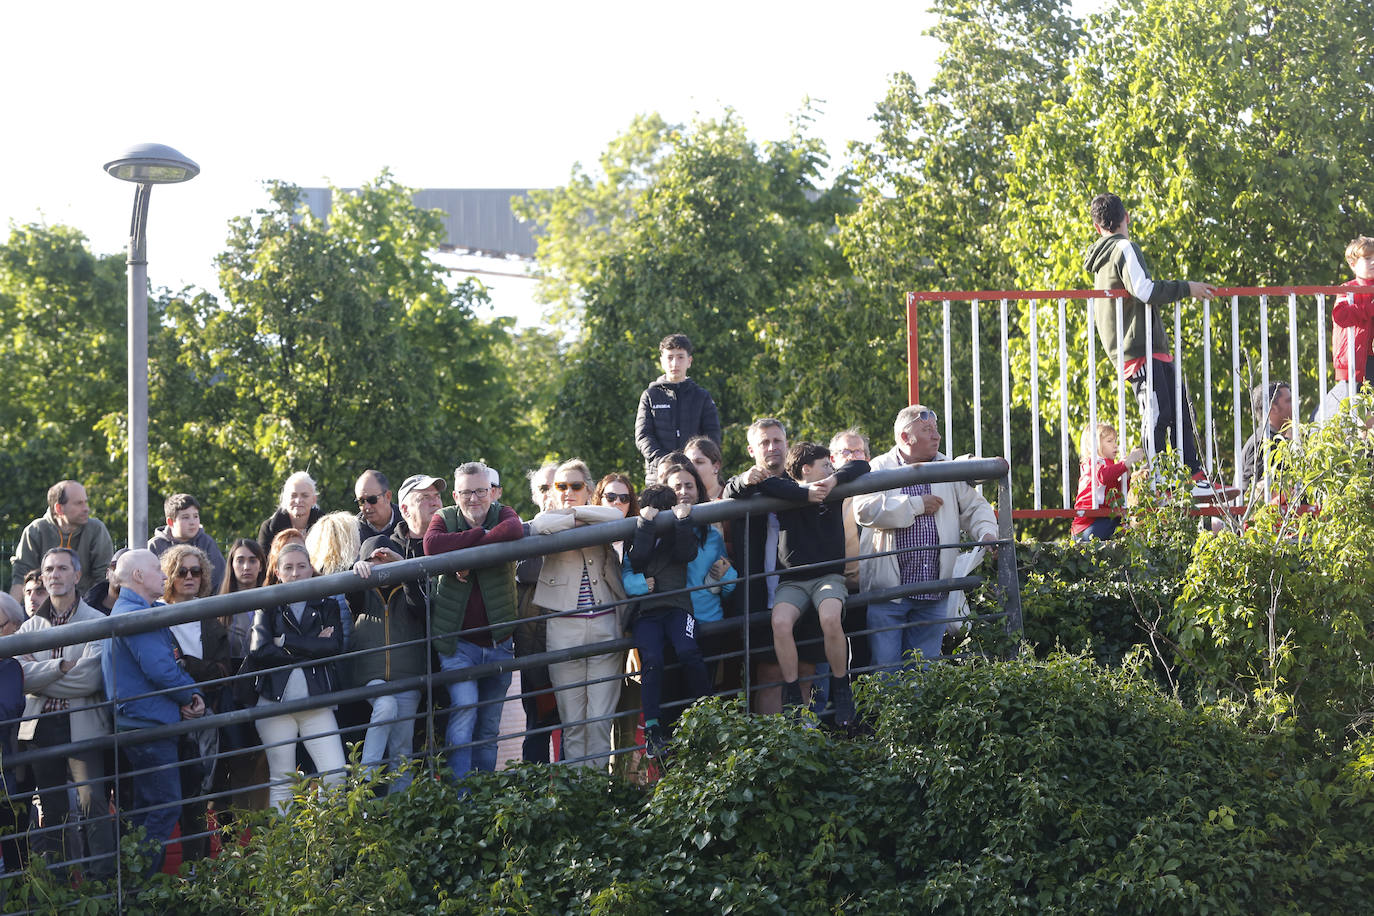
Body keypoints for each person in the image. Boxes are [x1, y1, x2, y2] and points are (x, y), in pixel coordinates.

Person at [1084, 193, 1228, 499]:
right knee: (1159, 414)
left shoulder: (1103, 260)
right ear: (1127, 218)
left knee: (1179, 411)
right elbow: (1145, 290)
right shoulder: (1123, 247)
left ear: (1098, 227)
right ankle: (1160, 478)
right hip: (1139, 348)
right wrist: (1187, 288)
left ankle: (1193, 475)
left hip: (1146, 347)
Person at [724, 443, 869, 725]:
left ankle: (841, 687)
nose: (831, 467)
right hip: (792, 581)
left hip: (828, 578)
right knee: (780, 622)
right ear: (806, 469)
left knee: (830, 616)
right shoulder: (784, 492)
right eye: (825, 465)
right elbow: (761, 486)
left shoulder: (834, 489)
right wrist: (805, 493)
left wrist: (832, 480)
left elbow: (862, 466)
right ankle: (791, 689)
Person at [854, 406, 999, 672]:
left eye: (936, 429)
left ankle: (914, 716)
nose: (937, 436)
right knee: (886, 672)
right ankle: (888, 716)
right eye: (927, 430)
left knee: (923, 674)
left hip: (934, 592)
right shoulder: (878, 468)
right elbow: (864, 510)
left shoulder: (947, 467)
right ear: (904, 437)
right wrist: (916, 505)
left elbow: (975, 507)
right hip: (888, 594)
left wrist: (987, 532)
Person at [15, 547, 116, 875]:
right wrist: (61, 666)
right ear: (42, 577)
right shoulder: (29, 628)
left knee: (93, 803)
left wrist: (39, 674)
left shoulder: (97, 621)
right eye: (49, 569)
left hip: (83, 725)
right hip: (40, 728)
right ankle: (57, 891)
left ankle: (101, 886)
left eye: (62, 569)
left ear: (77, 575)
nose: (55, 575)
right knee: (53, 809)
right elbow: (18, 675)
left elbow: (89, 678)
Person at [106, 549, 205, 875]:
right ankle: (141, 884)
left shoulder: (133, 611)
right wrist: (190, 695)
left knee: (147, 807)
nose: (165, 576)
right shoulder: (138, 616)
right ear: (137, 576)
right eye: (156, 570)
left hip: (140, 721)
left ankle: (133, 885)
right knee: (164, 806)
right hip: (148, 724)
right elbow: (161, 668)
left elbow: (161, 667)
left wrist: (183, 698)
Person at [424, 461, 523, 779]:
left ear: (492, 492)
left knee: (489, 726)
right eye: (466, 492)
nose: (474, 498)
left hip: (499, 641)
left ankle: (484, 798)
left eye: (481, 491)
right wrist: (479, 539)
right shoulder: (443, 517)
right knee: (464, 714)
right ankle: (460, 800)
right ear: (455, 494)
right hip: (457, 644)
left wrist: (466, 552)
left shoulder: (504, 513)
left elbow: (514, 530)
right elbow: (431, 545)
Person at [529, 459, 628, 770]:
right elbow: (540, 526)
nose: (568, 492)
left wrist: (574, 515)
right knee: (573, 724)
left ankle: (599, 797)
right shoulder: (547, 517)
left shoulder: (600, 515)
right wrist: (572, 517)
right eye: (561, 487)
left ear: (588, 489)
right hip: (563, 629)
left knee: (600, 720)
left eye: (575, 486)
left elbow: (615, 514)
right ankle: (578, 801)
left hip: (606, 624)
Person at [725, 418, 823, 713]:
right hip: (761, 596)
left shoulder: (802, 483)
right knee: (768, 674)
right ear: (751, 449)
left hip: (805, 588)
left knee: (806, 669)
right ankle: (770, 748)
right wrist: (745, 479)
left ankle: (805, 743)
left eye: (777, 441)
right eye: (764, 442)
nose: (772, 447)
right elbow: (729, 491)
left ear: (787, 444)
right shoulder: (745, 487)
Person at [247, 542, 345, 813]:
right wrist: (310, 645)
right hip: (274, 703)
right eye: (288, 567)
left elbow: (334, 646)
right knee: (282, 779)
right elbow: (259, 650)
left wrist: (285, 641)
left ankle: (324, 838)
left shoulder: (327, 604)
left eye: (301, 566)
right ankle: (286, 850)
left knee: (335, 774)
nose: (295, 573)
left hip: (317, 702)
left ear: (310, 569)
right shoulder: (266, 603)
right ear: (277, 572)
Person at [621, 484, 708, 757]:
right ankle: (653, 728)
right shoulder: (637, 532)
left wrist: (681, 520)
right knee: (653, 660)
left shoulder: (678, 534)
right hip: (647, 613)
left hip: (678, 607)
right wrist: (645, 524)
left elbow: (687, 553)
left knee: (688, 649)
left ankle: (708, 709)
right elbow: (637, 559)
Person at [158, 545, 229, 863]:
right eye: (182, 571)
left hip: (203, 719)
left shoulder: (211, 617)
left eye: (195, 571)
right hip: (164, 718)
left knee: (197, 802)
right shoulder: (154, 612)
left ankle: (195, 877)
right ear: (169, 575)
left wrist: (186, 665)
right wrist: (189, 676)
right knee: (160, 802)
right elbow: (156, 669)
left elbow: (223, 671)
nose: (189, 577)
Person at [347, 535, 424, 791]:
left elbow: (421, 608)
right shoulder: (361, 593)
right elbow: (351, 599)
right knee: (386, 705)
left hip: (408, 678)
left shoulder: (409, 588)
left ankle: (398, 814)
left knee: (402, 748)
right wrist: (355, 571)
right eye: (373, 560)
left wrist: (403, 569)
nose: (380, 565)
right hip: (371, 676)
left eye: (385, 558)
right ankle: (366, 776)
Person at [661, 462, 735, 680]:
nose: (683, 492)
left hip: (708, 623)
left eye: (689, 486)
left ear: (698, 490)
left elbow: (727, 587)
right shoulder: (658, 533)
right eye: (677, 487)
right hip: (670, 626)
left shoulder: (712, 535)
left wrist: (724, 577)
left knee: (704, 694)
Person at [215, 538, 269, 813]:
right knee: (236, 761)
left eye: (252, 560)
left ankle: (263, 832)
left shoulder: (273, 599)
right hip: (231, 691)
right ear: (231, 565)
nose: (246, 567)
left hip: (264, 686)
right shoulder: (219, 606)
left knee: (264, 761)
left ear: (261, 564)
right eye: (240, 560)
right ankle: (237, 837)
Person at [634, 334, 723, 485]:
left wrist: (694, 463)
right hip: (659, 477)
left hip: (696, 478)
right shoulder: (650, 395)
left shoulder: (702, 396)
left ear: (689, 361)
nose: (674, 363)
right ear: (661, 361)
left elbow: (712, 438)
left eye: (680, 357)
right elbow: (643, 436)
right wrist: (665, 463)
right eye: (670, 357)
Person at [515, 463, 559, 764]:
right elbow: (525, 573)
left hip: (578, 641)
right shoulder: (524, 531)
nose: (551, 494)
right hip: (534, 645)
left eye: (558, 487)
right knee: (539, 727)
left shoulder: (589, 526)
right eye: (543, 488)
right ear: (535, 495)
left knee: (576, 725)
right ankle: (534, 799)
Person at [9, 480, 115, 602]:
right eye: (79, 503)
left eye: (86, 502)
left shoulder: (96, 529)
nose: (86, 508)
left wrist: (93, 614)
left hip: (87, 606)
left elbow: (104, 579)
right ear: (59, 508)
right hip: (43, 608)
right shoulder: (35, 531)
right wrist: (13, 615)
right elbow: (21, 578)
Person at [1316, 237, 1374, 423]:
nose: (1373, 262)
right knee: (1362, 411)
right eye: (1367, 258)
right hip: (1358, 362)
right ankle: (1366, 449)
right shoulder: (1348, 289)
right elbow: (1340, 315)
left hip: (1370, 357)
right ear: (1353, 264)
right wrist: (1369, 308)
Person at [1072, 423, 1145, 541]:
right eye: (1109, 441)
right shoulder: (1091, 463)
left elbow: (1118, 496)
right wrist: (1126, 462)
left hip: (1103, 520)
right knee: (1124, 525)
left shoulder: (1109, 465)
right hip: (1087, 527)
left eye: (1115, 441)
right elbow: (1103, 476)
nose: (1115, 446)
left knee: (1127, 524)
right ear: (1094, 445)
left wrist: (1126, 476)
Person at [148, 494, 227, 592]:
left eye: (196, 516)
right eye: (185, 517)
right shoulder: (155, 545)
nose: (192, 522)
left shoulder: (207, 543)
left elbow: (219, 579)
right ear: (170, 522)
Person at [1241, 382, 1294, 499]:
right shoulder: (1263, 442)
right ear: (1272, 408)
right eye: (1289, 401)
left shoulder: (1270, 439)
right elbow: (1248, 494)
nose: (1295, 405)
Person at [257, 471, 324, 555]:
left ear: (314, 500)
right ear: (285, 499)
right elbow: (263, 564)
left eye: (304, 495)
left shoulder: (326, 528)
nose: (298, 500)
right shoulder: (268, 528)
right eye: (293, 495)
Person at [355, 470, 401, 543]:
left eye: (372, 500)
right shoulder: (353, 531)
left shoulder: (408, 523)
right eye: (361, 501)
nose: (367, 507)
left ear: (387, 496)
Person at [684, 435, 726, 501]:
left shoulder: (731, 495)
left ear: (716, 467)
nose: (692, 467)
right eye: (688, 463)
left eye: (699, 462)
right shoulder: (682, 500)